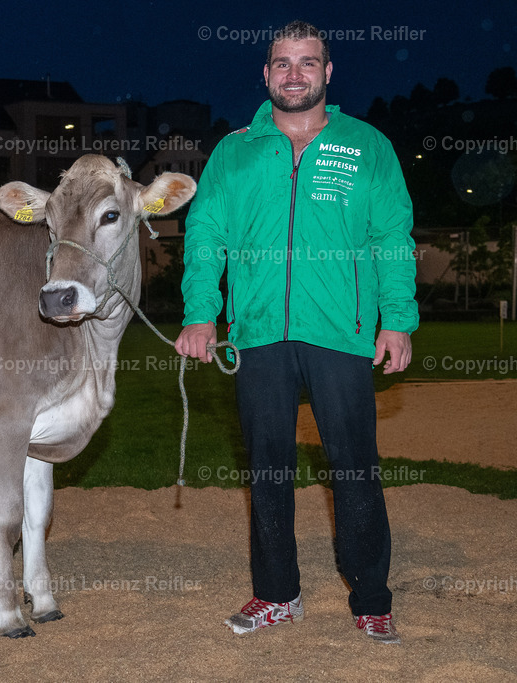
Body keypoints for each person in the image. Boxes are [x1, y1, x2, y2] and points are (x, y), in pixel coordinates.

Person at [175, 19, 418, 645]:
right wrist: (201, 312)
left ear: (327, 72)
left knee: (355, 468)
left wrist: (397, 320)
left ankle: (371, 597)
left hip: (343, 332)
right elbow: (205, 236)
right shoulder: (234, 151)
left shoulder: (367, 145)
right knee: (268, 470)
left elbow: (392, 237)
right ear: (265, 74)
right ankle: (277, 594)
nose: (294, 74)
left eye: (307, 62)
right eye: (282, 63)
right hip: (258, 332)